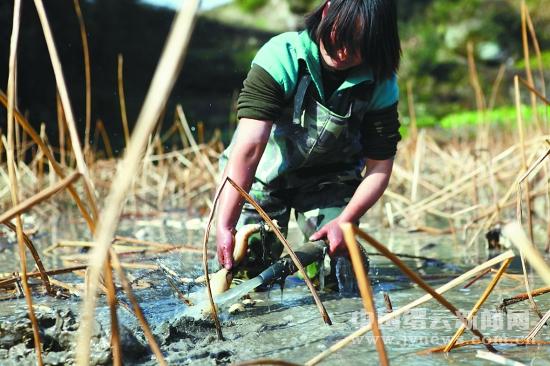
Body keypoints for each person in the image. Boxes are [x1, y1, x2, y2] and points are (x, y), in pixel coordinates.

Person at [215, 0, 402, 281]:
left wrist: (346, 220)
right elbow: (250, 147)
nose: (343, 51)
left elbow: (379, 168)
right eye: (342, 36)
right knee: (245, 262)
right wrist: (225, 224)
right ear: (327, 12)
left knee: (339, 267)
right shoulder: (283, 56)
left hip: (329, 181)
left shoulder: (381, 82)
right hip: (260, 178)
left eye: (359, 45)